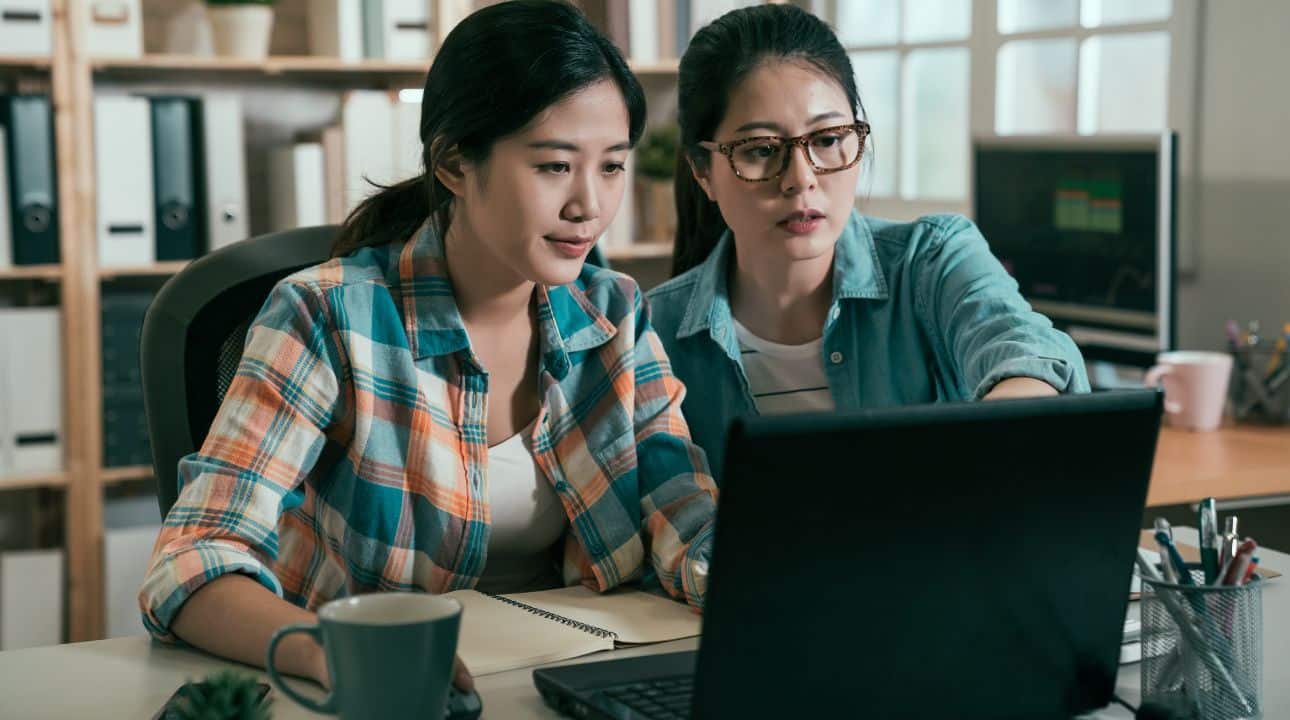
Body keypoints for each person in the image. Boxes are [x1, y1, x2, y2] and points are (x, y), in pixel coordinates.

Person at [139, 0, 717, 693]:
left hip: (564, 686)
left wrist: (755, 578)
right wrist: (333, 654)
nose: (589, 205)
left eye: (613, 166)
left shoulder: (614, 313)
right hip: (380, 694)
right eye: (555, 167)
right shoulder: (328, 316)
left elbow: (684, 510)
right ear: (453, 163)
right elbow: (193, 559)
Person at [646, 4, 1090, 481]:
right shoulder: (652, 333)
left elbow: (1028, 353)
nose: (802, 179)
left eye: (829, 138)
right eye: (760, 151)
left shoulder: (934, 261)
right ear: (701, 171)